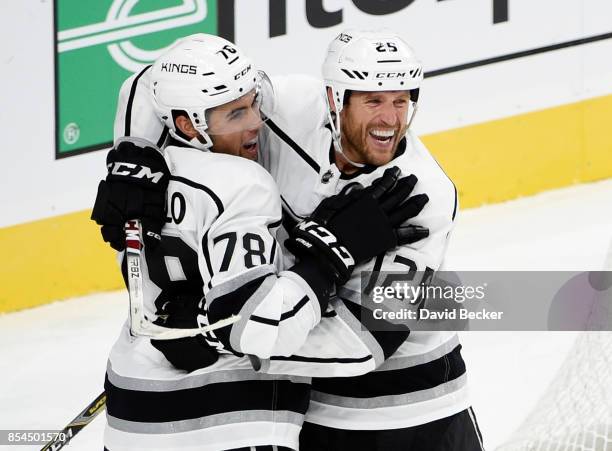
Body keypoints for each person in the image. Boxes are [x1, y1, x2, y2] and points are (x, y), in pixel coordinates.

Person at [93, 30, 484, 450]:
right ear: (335, 98)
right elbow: (161, 81)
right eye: (373, 100)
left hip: (415, 411)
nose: (390, 119)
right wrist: (134, 152)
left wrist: (216, 329)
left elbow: (359, 343)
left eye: (401, 101)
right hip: (308, 414)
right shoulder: (284, 108)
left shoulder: (424, 194)